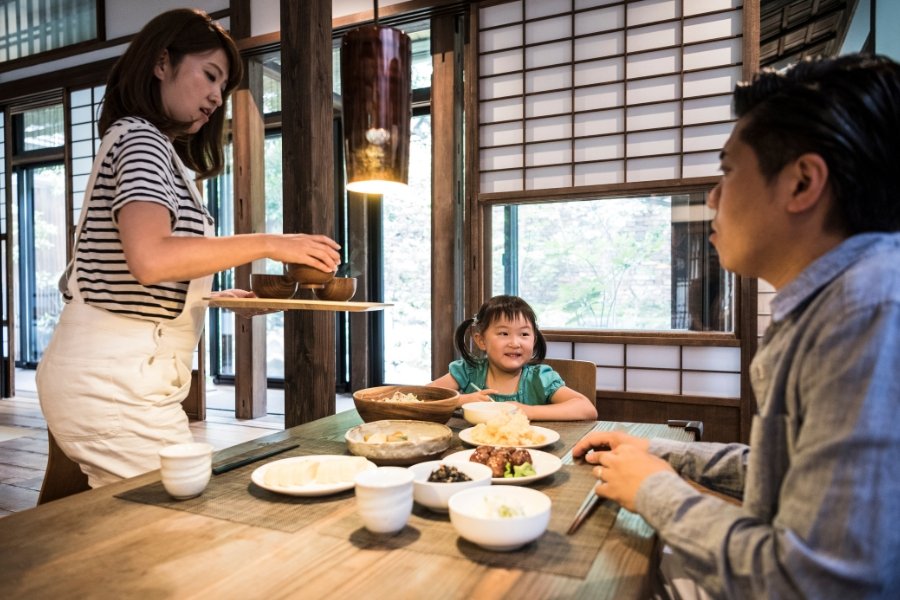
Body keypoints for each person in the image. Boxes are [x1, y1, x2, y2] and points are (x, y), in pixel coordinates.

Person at [572, 53, 900, 599]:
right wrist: (660, 453)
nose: (711, 198)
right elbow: (785, 471)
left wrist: (653, 488)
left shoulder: (866, 312)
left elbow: (818, 579)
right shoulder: (841, 298)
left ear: (802, 183)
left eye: (727, 171)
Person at [35, 9, 341, 488]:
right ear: (162, 63)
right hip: (114, 383)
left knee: (113, 524)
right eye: (210, 76)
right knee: (180, 522)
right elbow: (151, 258)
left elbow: (132, 271)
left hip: (113, 375)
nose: (217, 97)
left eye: (222, 87)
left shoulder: (151, 145)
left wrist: (210, 297)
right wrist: (270, 242)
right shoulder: (141, 140)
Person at [430, 295, 597, 421]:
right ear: (481, 340)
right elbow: (424, 396)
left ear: (534, 340)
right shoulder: (468, 371)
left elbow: (587, 409)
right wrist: (462, 400)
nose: (515, 343)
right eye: (504, 333)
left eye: (524, 334)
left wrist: (526, 411)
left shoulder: (539, 378)